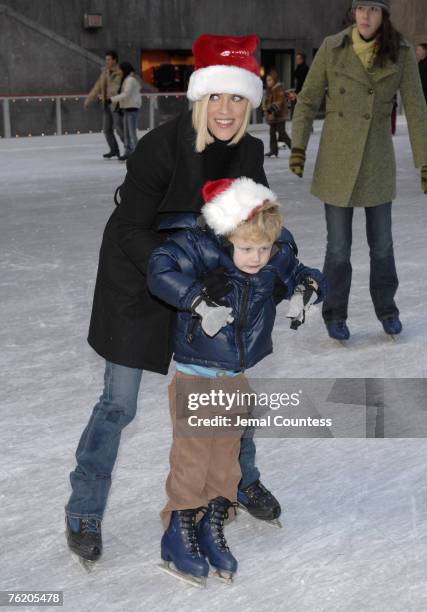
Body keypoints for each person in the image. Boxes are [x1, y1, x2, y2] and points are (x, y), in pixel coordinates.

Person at [65, 34, 284, 565]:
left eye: (237, 98)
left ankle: (242, 479)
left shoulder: (250, 152)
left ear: (250, 102)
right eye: (217, 97)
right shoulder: (159, 148)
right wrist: (184, 283)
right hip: (137, 282)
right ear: (198, 98)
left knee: (229, 390)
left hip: (207, 284)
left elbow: (258, 229)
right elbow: (131, 231)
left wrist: (285, 277)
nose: (227, 110)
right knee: (119, 402)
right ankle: (84, 507)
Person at [147, 177, 326, 585]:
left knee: (226, 459)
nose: (256, 258)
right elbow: (160, 269)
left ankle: (211, 522)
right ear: (226, 236)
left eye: (263, 249)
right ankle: (179, 530)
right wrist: (197, 300)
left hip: (234, 376)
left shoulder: (270, 252)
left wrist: (306, 292)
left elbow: (303, 272)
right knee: (192, 458)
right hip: (196, 373)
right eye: (246, 249)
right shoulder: (199, 246)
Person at [290, 0, 427, 341]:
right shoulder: (332, 47)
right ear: (353, 12)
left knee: (382, 246)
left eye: (374, 9)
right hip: (337, 161)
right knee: (338, 248)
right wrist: (298, 146)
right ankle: (335, 314)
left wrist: (424, 160)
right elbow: (307, 99)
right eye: (360, 8)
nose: (365, 16)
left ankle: (387, 309)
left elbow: (416, 107)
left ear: (384, 15)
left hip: (377, 161)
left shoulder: (401, 52)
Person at [84, 50, 124, 159]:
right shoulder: (105, 72)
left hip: (116, 105)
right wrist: (89, 99)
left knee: (119, 129)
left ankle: (130, 149)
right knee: (107, 130)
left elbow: (115, 89)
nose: (107, 61)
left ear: (114, 60)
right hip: (106, 105)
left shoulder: (120, 72)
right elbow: (97, 87)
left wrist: (107, 96)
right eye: (106, 59)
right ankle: (114, 150)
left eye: (109, 59)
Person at [110, 62, 142, 161]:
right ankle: (128, 152)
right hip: (128, 108)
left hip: (132, 109)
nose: (119, 71)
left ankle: (137, 153)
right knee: (127, 133)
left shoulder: (130, 80)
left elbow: (126, 94)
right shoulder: (127, 79)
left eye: (120, 69)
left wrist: (111, 99)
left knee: (131, 133)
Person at [263, 70, 292, 157]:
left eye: (270, 80)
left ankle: (294, 149)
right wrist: (265, 107)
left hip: (279, 115)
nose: (268, 82)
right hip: (273, 116)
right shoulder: (270, 89)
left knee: (282, 133)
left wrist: (269, 110)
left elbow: (279, 102)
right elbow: (267, 101)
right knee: (272, 133)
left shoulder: (278, 89)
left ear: (274, 80)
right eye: (267, 80)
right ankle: (273, 150)